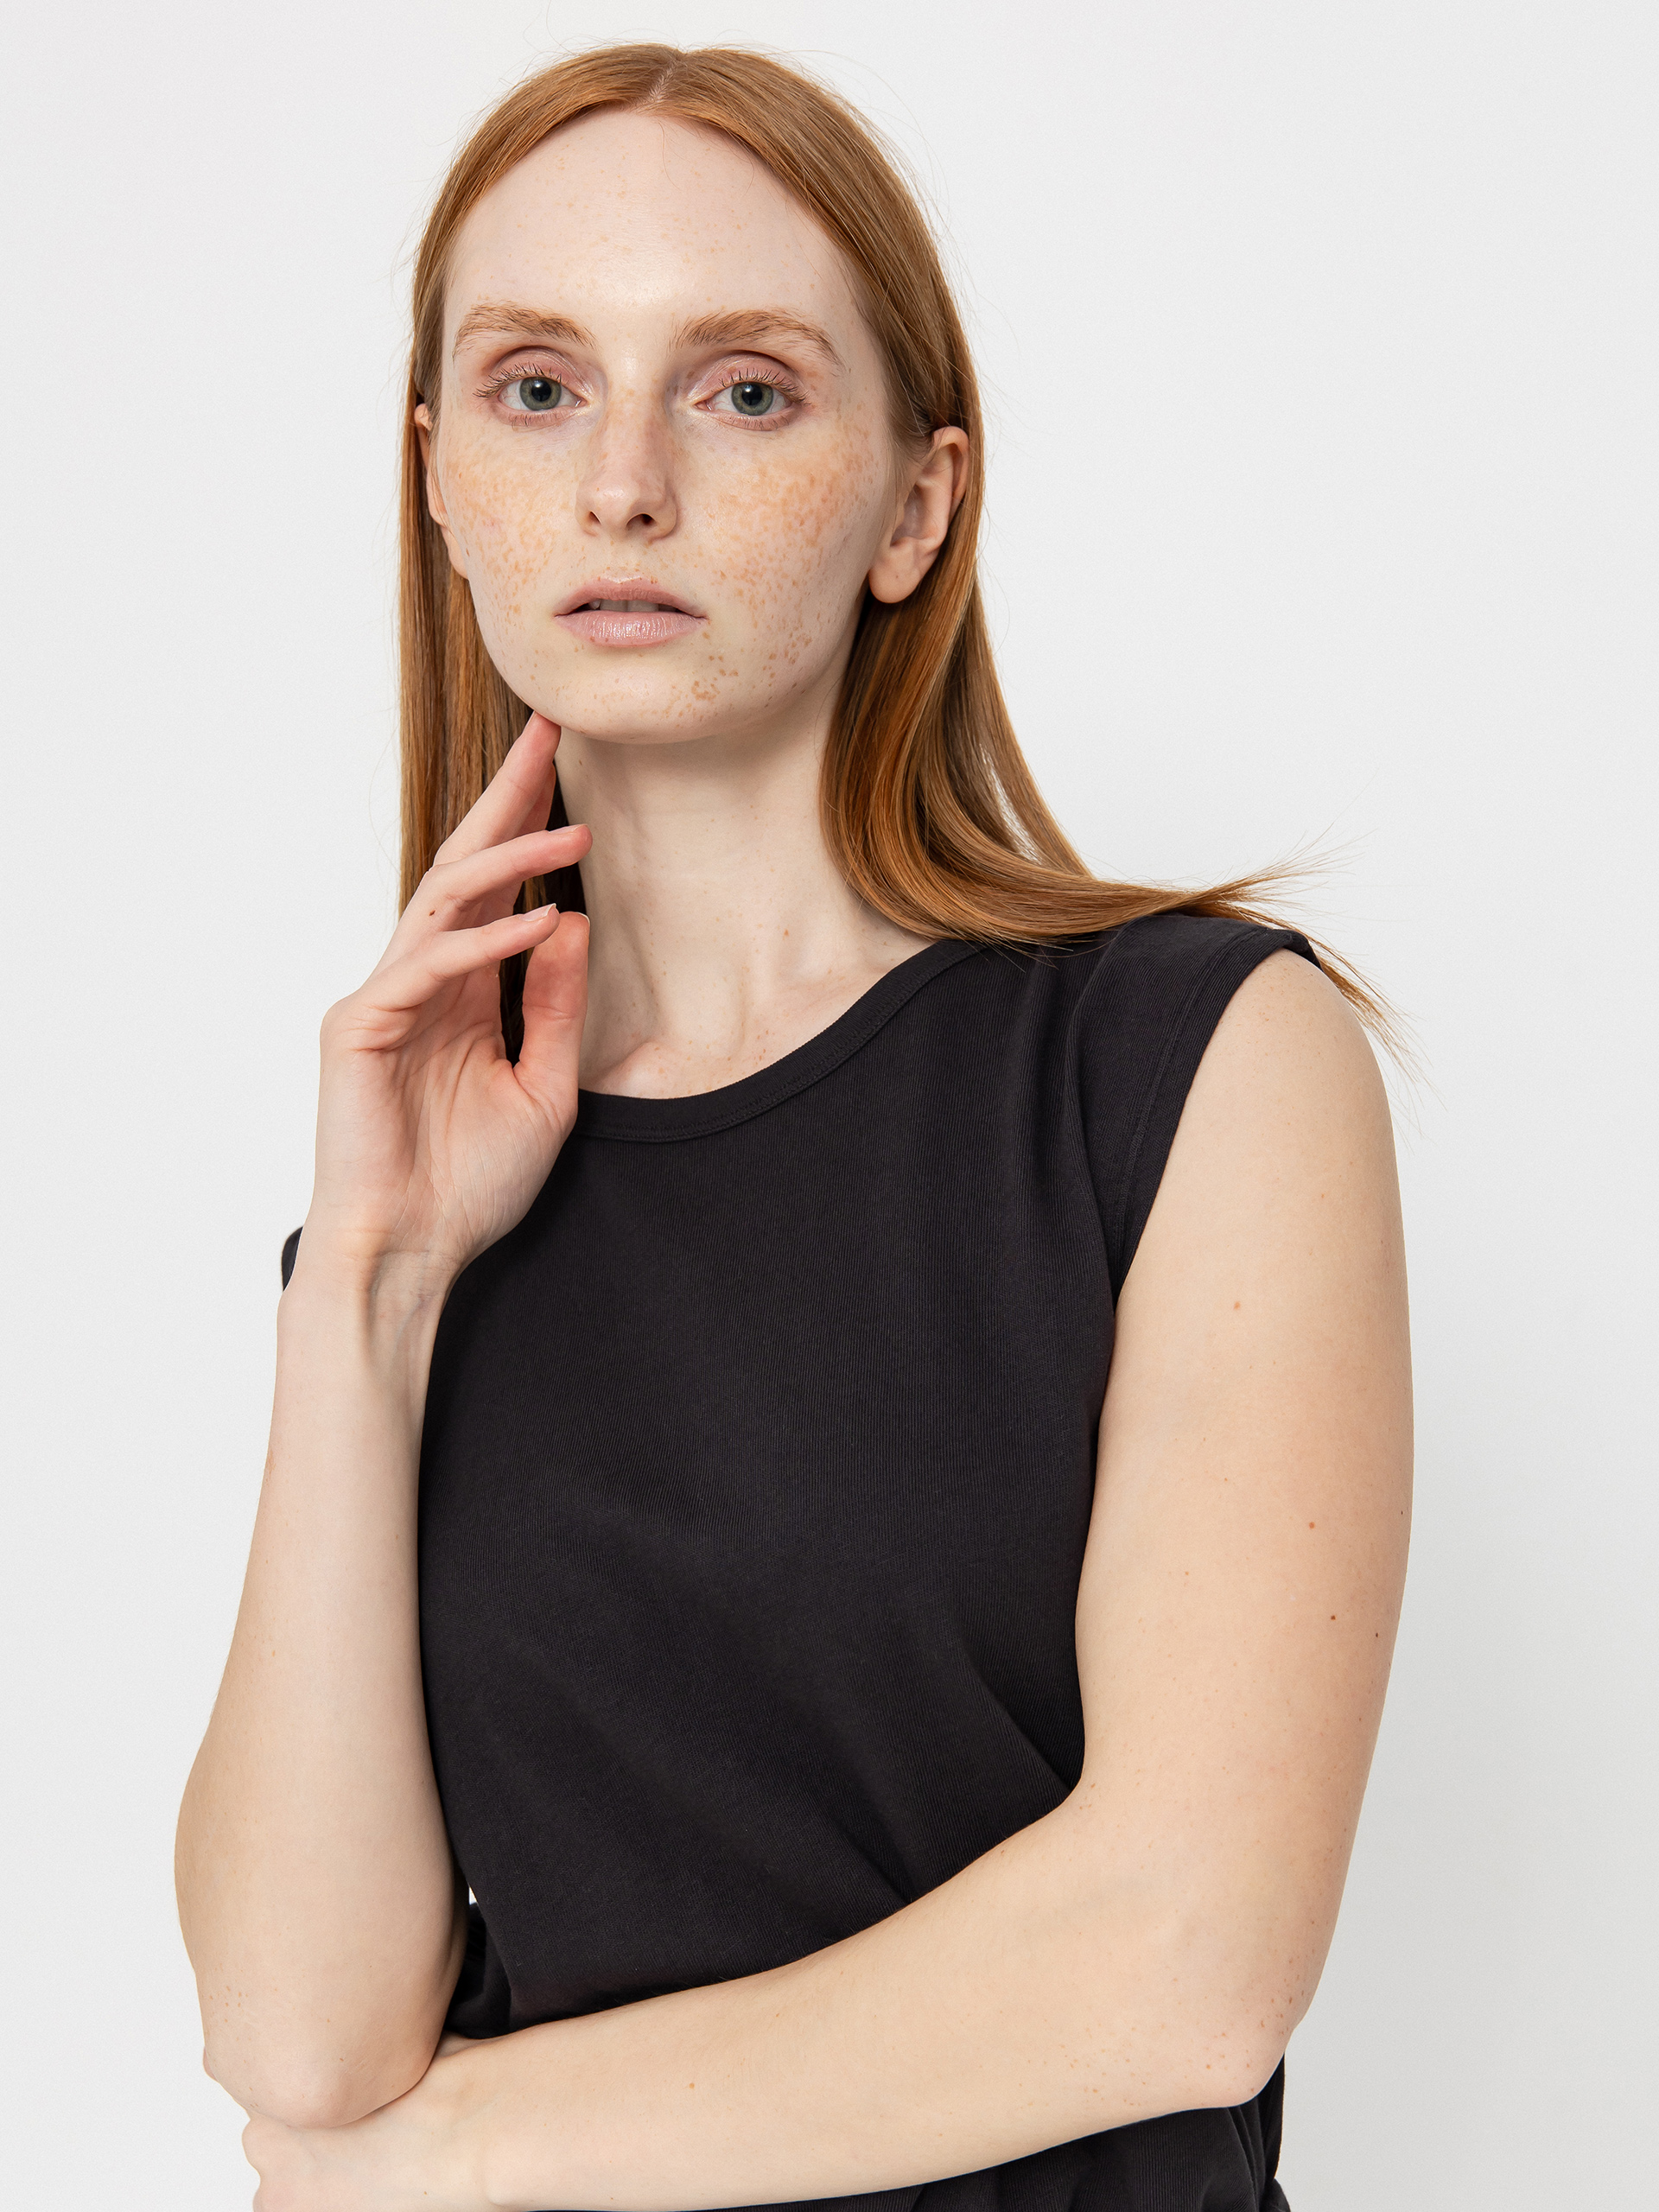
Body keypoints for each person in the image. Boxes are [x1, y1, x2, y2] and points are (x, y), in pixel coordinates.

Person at [174, 43, 1411, 2212]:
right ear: (439, 477)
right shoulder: (421, 1190)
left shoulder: (1188, 1062)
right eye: (538, 386)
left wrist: (462, 2147)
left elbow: (1188, 1956)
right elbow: (295, 2033)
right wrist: (365, 1281)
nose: (622, 484)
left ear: (917, 504)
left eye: (743, 390)